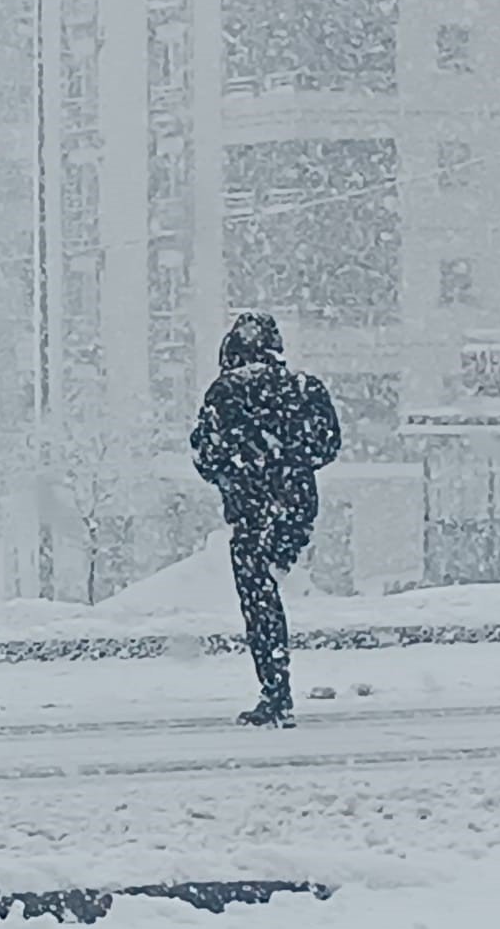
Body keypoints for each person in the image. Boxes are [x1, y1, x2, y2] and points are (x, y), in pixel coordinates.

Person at [189, 312, 340, 729]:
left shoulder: (226, 392)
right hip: (296, 505)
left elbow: (207, 457)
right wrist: (289, 461)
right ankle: (278, 684)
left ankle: (276, 692)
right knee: (272, 583)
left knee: (259, 600)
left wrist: (244, 468)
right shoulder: (305, 388)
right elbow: (328, 446)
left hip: (250, 508)